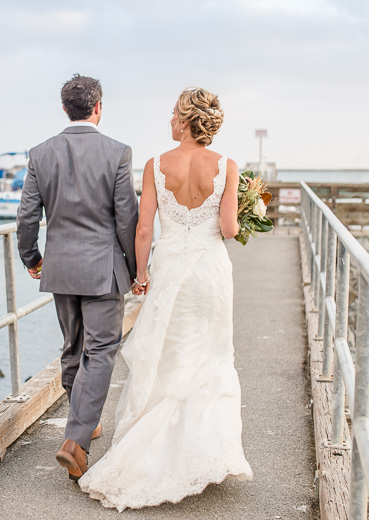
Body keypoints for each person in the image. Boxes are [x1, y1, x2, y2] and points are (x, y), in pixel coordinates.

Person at [78, 87, 253, 511]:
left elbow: (143, 229)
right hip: (210, 273)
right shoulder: (227, 166)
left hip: (172, 270)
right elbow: (229, 230)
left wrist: (141, 275)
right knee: (210, 358)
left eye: (174, 113)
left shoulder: (156, 165)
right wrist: (246, 208)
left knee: (169, 357)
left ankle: (156, 452)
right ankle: (206, 454)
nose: (169, 120)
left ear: (187, 120)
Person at [17, 74, 138, 481]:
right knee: (101, 350)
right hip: (104, 268)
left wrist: (32, 258)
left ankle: (84, 420)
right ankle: (76, 442)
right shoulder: (117, 152)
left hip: (61, 267)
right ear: (99, 107)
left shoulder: (40, 153)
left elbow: (27, 217)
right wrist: (135, 269)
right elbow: (127, 218)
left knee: (73, 346)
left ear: (65, 109)